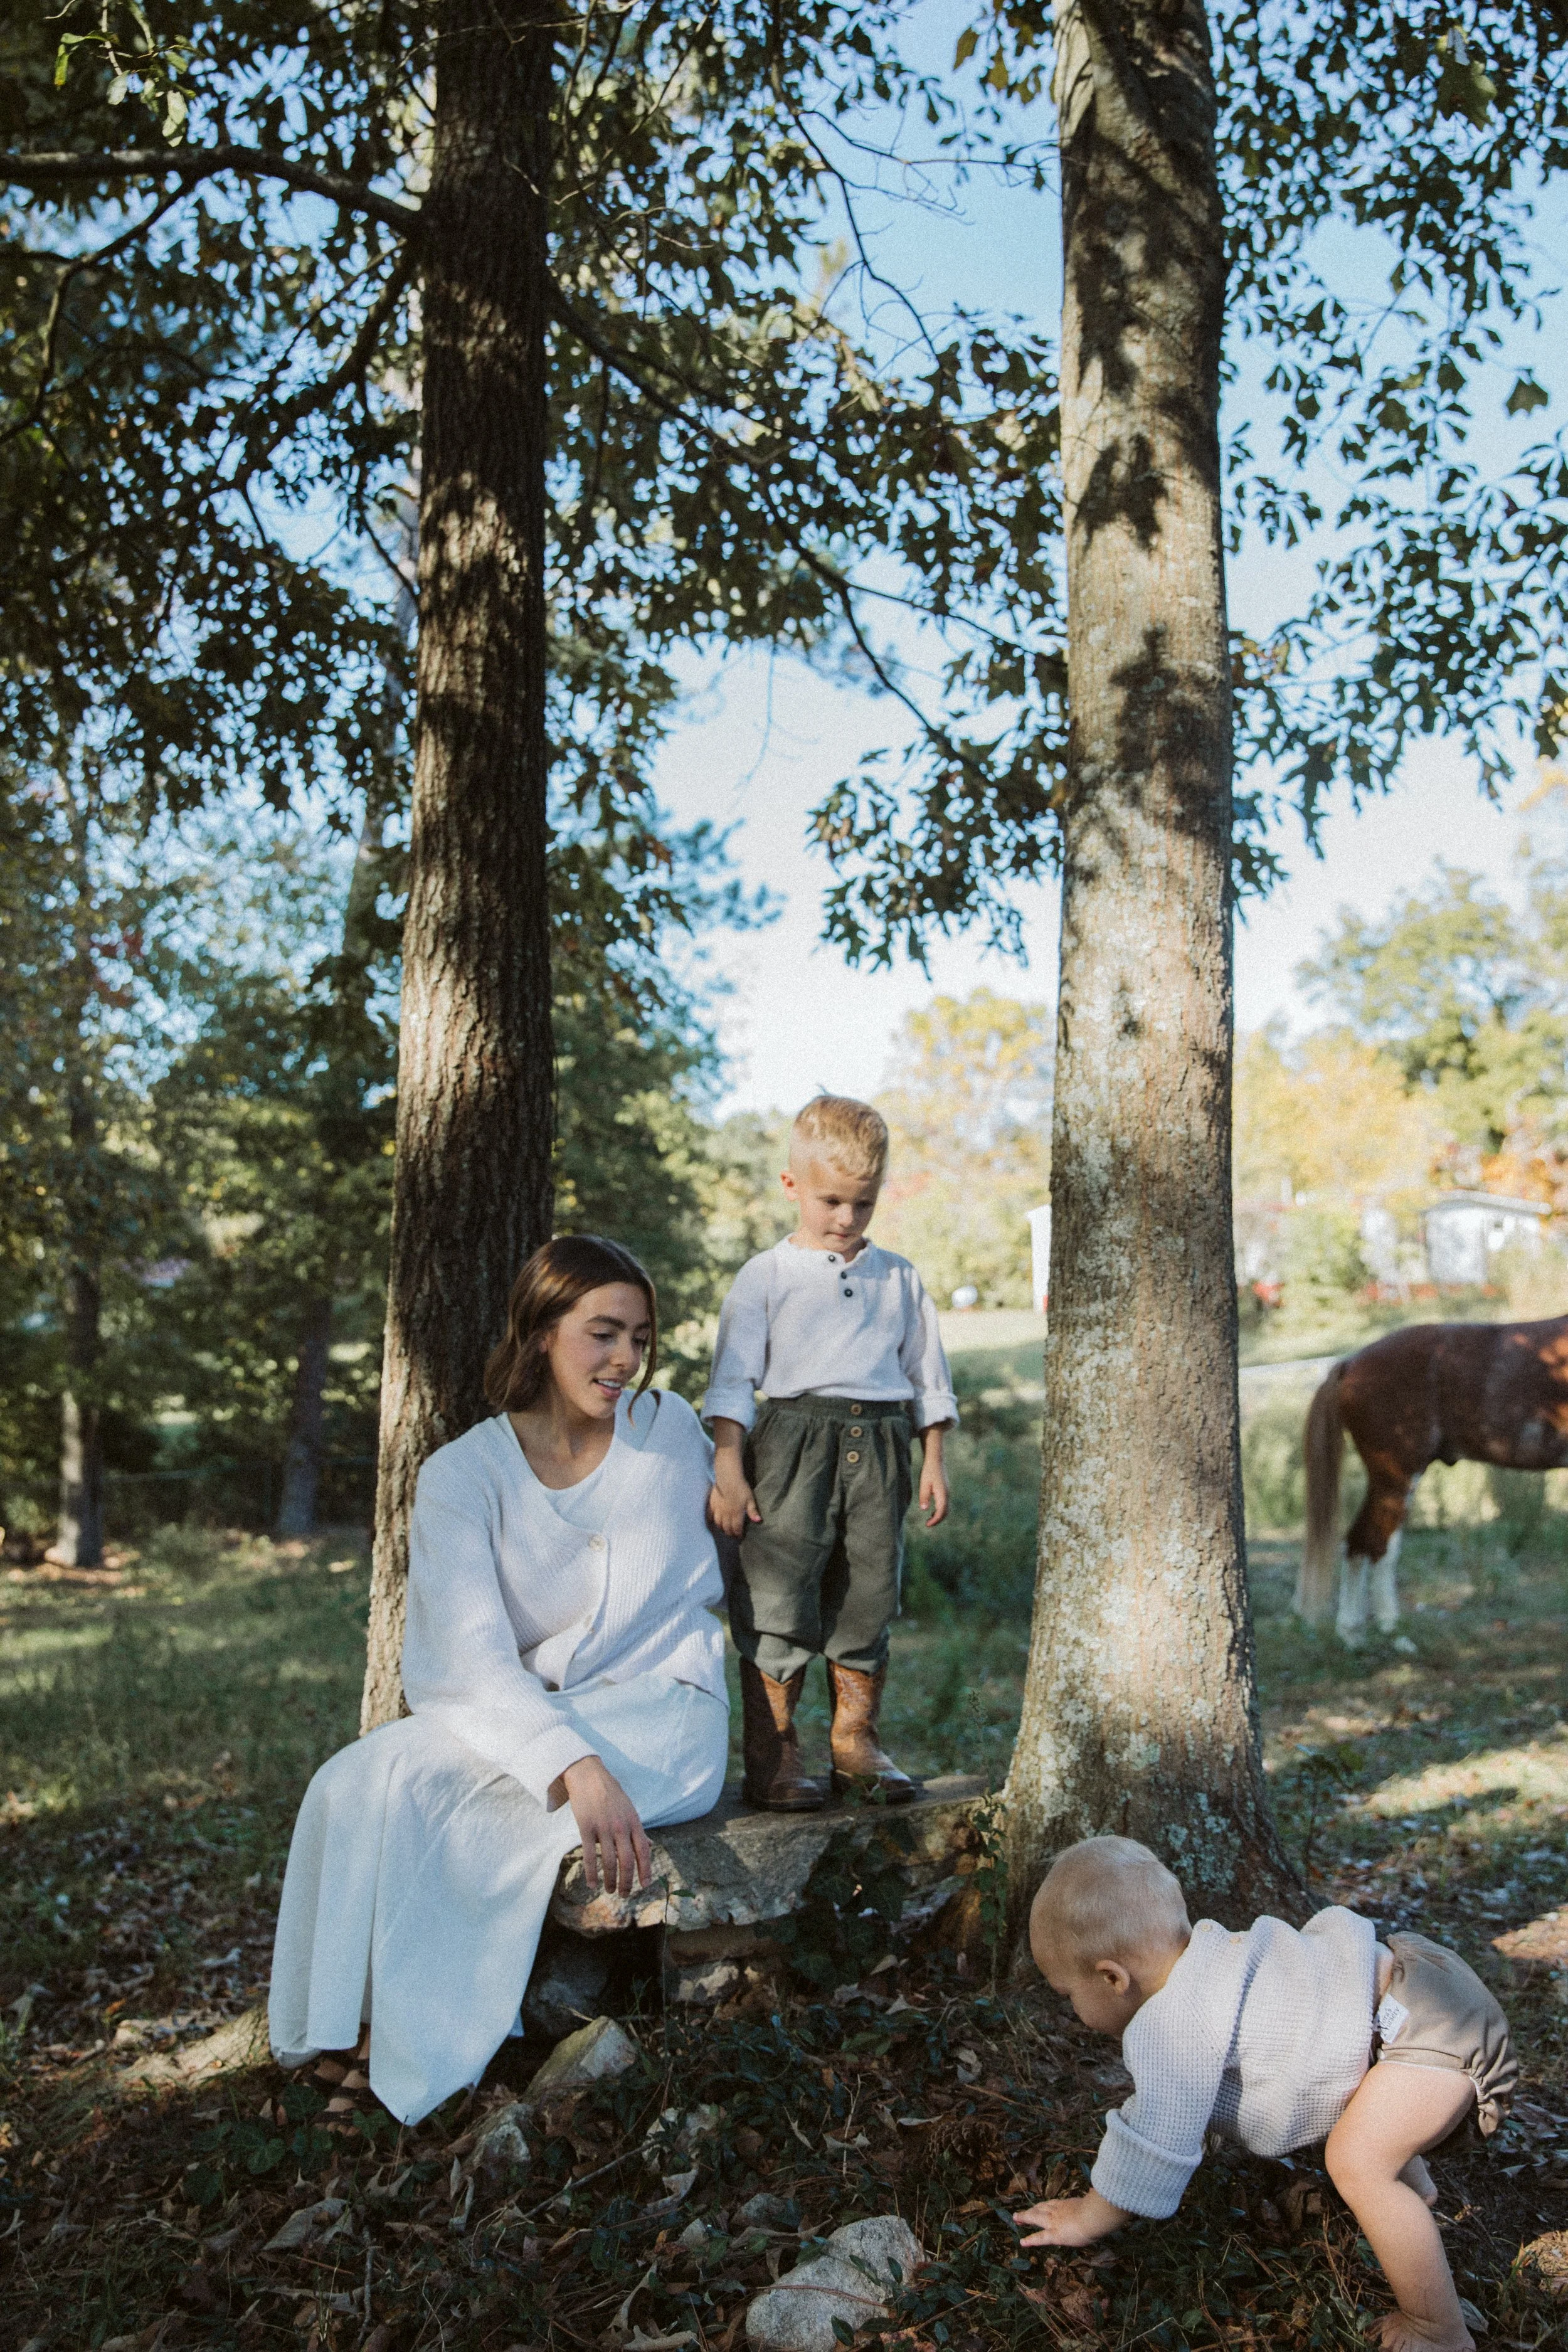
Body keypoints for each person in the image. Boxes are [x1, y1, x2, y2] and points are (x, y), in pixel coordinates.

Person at [268, 1236, 729, 2126]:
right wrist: (574, 1761)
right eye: (603, 1333)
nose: (627, 1359)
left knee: (471, 1809)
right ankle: (334, 2017)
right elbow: (466, 1657)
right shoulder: (462, 1475)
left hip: (667, 1712)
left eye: (640, 1335)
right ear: (541, 1331)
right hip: (541, 1715)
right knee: (360, 1775)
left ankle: (409, 2050)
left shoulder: (667, 1431)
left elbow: (754, 1507)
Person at [1015, 1836, 1517, 2352]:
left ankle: (1439, 2330)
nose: (1072, 2012)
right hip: (1424, 1979)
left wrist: (1087, 2216)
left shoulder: (1170, 2024)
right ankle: (1411, 2193)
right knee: (1357, 2102)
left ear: (1112, 1977)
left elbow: (1154, 2139)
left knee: (1357, 2163)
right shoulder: (1219, 1957)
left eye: (1067, 1995)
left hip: (1425, 2034)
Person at [704, 1093, 958, 1811]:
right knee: (779, 1591)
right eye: (831, 1201)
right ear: (792, 1187)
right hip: (791, 1443)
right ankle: (775, 1755)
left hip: (880, 1448)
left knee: (868, 1590)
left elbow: (926, 1376)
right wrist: (729, 1466)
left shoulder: (899, 1279)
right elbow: (732, 1381)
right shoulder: (767, 1276)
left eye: (862, 1204)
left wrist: (932, 1457)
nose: (845, 1219)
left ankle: (856, 1743)